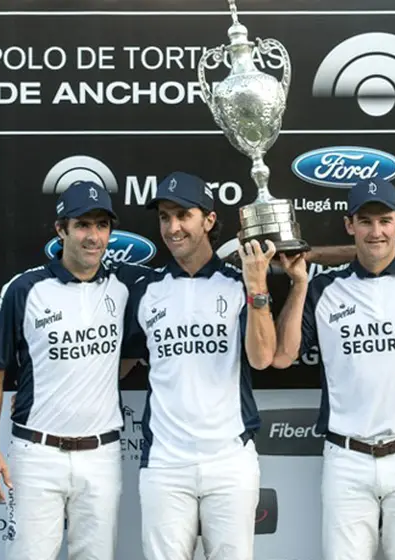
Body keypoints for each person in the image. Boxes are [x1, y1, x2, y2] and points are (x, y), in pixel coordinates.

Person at [272, 177, 395, 560]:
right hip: (347, 458)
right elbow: (283, 356)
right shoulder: (324, 288)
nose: (376, 232)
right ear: (349, 224)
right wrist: (300, 281)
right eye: (366, 222)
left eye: (385, 221)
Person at [121, 171, 294, 560]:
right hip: (165, 464)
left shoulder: (237, 284)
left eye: (184, 215)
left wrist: (257, 287)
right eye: (165, 217)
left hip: (228, 461)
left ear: (209, 220)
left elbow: (262, 358)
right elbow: (118, 364)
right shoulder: (146, 290)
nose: (173, 228)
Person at [0, 180, 145, 560]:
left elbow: (129, 352)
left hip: (101, 456)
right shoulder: (26, 289)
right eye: (82, 225)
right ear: (61, 229)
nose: (94, 236)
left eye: (102, 225)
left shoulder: (124, 287)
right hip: (36, 455)